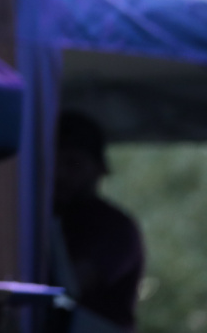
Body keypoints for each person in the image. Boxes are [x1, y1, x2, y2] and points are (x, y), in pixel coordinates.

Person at [51, 112, 145, 333]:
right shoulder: (47, 217)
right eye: (54, 163)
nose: (61, 174)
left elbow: (70, 285)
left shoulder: (115, 228)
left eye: (73, 164)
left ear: (99, 169)